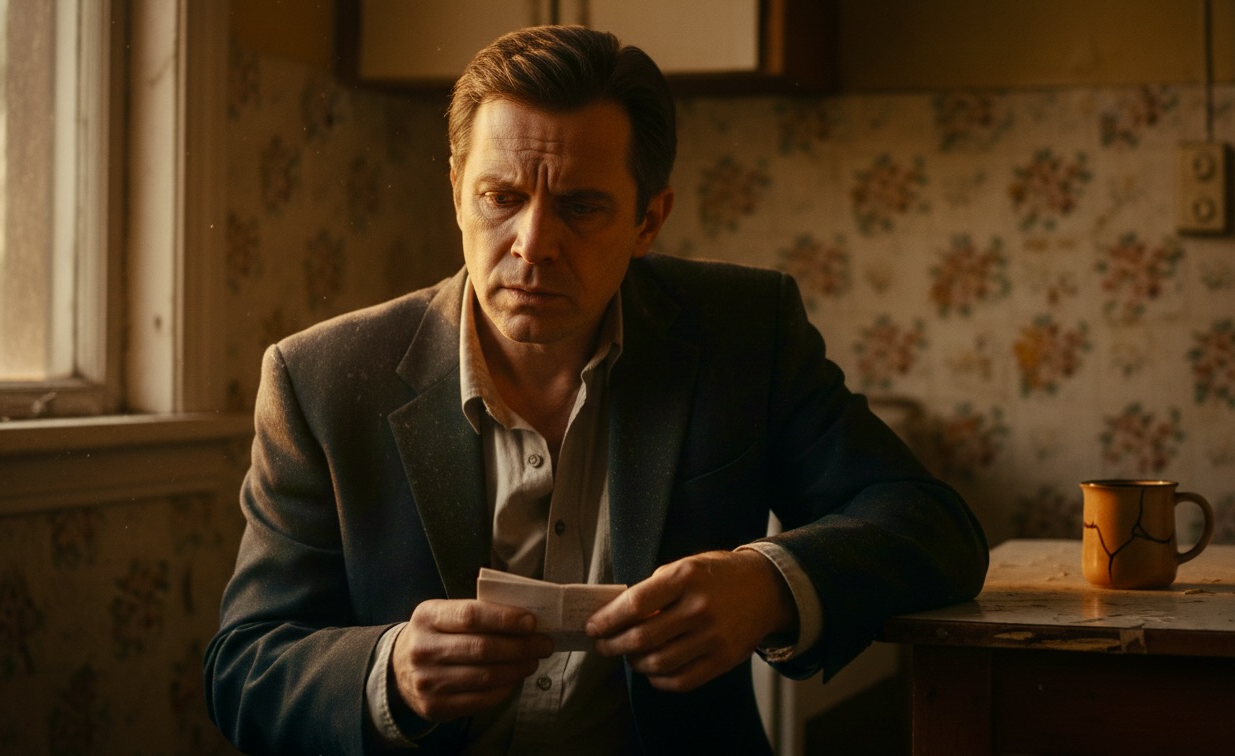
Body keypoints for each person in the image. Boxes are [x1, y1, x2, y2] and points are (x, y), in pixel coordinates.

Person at [204, 25, 987, 755]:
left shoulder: (744, 333)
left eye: (580, 207)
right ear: (456, 194)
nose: (534, 244)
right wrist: (390, 672)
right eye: (500, 197)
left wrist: (770, 584)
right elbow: (244, 668)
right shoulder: (319, 379)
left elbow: (931, 526)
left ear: (650, 221)